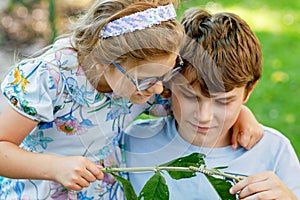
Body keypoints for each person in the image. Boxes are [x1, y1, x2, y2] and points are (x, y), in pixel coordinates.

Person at [0, 0, 261, 199]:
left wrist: (240, 113)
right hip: (38, 188)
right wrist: (54, 168)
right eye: (147, 80)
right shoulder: (48, 79)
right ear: (103, 62)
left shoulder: (146, 80)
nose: (160, 90)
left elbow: (196, 103)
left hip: (102, 191)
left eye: (167, 74)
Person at [125, 8, 300, 199]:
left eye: (224, 102)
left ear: (248, 91)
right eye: (190, 96)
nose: (204, 116)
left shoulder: (274, 151)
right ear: (169, 82)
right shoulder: (133, 142)